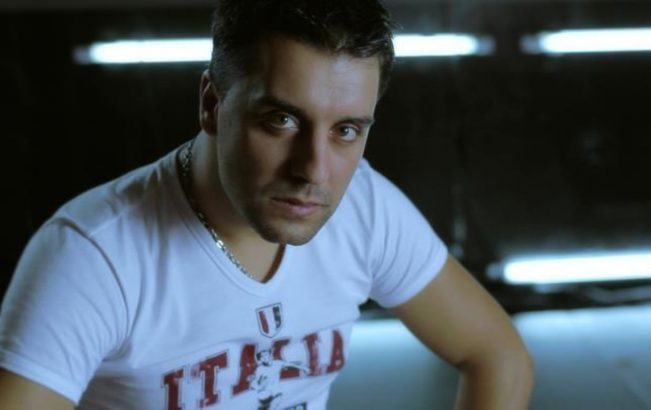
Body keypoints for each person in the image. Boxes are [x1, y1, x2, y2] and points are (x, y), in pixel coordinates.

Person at [0, 0, 533, 408]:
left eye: (346, 130)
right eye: (282, 120)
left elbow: (496, 355)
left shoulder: (364, 208)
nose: (313, 170)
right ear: (212, 104)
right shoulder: (93, 255)